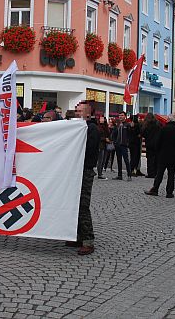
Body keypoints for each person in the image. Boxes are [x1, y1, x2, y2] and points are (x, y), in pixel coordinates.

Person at [68, 101, 99, 256]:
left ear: (88, 113)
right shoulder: (77, 128)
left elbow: (88, 150)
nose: (77, 113)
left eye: (80, 111)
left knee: (82, 205)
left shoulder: (92, 129)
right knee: (74, 204)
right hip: (75, 171)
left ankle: (88, 240)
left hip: (85, 172)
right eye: (76, 110)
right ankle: (78, 236)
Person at [145, 116, 175, 198]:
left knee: (159, 173)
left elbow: (157, 142)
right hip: (174, 156)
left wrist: (157, 152)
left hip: (163, 156)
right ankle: (169, 192)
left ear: (168, 120)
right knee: (171, 175)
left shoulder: (163, 129)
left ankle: (155, 189)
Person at [111, 112, 132, 181]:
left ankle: (129, 175)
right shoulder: (117, 124)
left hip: (124, 145)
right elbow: (113, 134)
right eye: (119, 115)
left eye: (122, 115)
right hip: (117, 145)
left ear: (125, 116)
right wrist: (114, 141)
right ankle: (119, 175)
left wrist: (128, 142)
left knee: (126, 160)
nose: (120, 116)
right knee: (119, 160)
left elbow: (130, 134)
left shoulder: (127, 124)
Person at [142, 114, 161, 178]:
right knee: (156, 159)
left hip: (149, 144)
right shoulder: (158, 124)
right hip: (157, 144)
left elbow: (143, 134)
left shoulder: (146, 125)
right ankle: (156, 173)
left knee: (149, 159)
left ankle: (150, 173)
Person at [96, 116, 111, 180]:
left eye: (103, 119)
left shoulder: (105, 127)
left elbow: (108, 134)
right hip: (100, 145)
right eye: (101, 119)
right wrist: (105, 139)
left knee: (104, 160)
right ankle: (99, 174)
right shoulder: (98, 127)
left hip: (105, 145)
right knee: (100, 160)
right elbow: (98, 136)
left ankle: (101, 173)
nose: (102, 120)